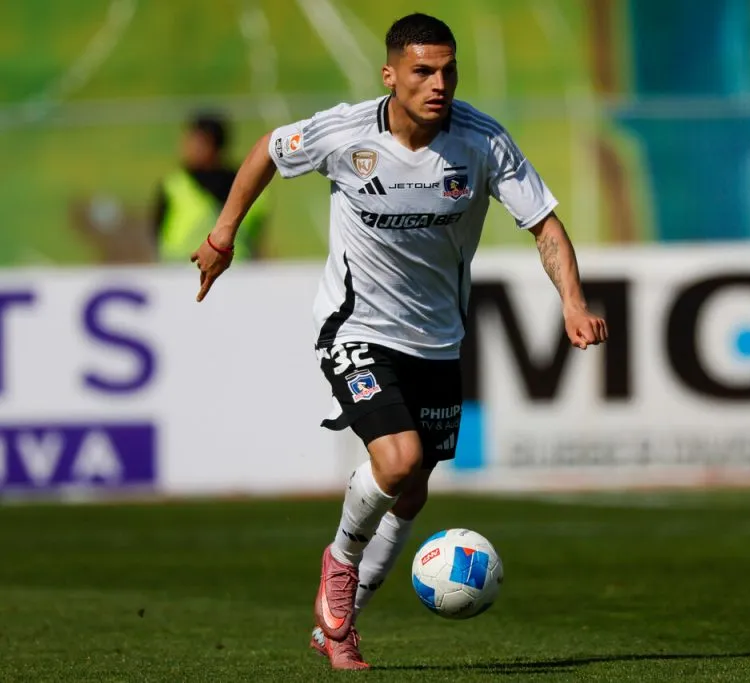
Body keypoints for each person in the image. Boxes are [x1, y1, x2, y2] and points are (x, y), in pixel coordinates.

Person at [189, 13, 608, 670]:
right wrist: (222, 236)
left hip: (438, 341)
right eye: (422, 71)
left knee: (411, 491)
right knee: (397, 459)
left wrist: (574, 303)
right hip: (354, 329)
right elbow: (269, 149)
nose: (438, 83)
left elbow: (545, 227)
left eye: (448, 70)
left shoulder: (481, 142)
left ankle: (339, 624)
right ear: (390, 74)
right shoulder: (346, 132)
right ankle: (340, 563)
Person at [156, 113, 268, 261]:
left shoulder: (248, 186)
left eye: (199, 143)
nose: (190, 148)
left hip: (236, 272)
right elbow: (157, 230)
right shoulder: (173, 185)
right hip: (180, 273)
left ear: (216, 145)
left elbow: (256, 233)